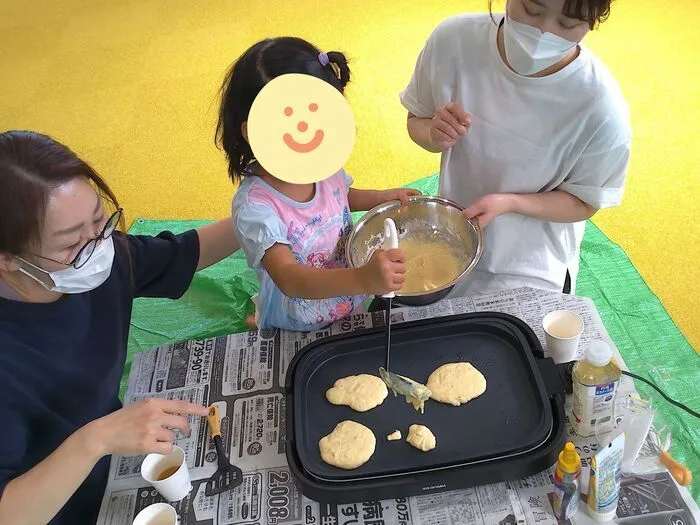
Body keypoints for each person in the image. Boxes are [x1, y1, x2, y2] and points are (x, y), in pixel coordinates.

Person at [0, 130, 241, 525]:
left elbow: (179, 254)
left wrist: (259, 207)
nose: (97, 247)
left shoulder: (99, 255)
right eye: (70, 244)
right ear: (9, 260)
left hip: (117, 459)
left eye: (100, 220)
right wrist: (96, 439)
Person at [400, 0, 631, 296]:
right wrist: (434, 133)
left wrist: (510, 203)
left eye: (567, 25)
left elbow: (585, 201)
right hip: (451, 236)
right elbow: (416, 119)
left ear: (593, 21)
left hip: (532, 262)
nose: (542, 33)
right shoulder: (453, 40)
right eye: (532, 10)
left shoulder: (601, 107)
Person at [218, 37, 419, 332]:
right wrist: (363, 279)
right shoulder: (256, 207)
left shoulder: (320, 164)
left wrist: (383, 197)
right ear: (253, 131)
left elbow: (342, 195)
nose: (305, 130)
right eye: (290, 118)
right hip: (298, 318)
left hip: (348, 293)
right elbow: (289, 277)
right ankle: (262, 313)